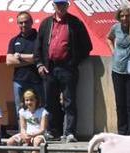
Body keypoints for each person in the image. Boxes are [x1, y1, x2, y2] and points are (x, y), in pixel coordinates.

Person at [35, 0, 92, 143]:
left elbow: (87, 46)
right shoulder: (46, 23)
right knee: (50, 102)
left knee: (69, 102)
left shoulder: (75, 22)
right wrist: (40, 64)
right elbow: (38, 46)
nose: (60, 7)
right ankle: (55, 131)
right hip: (50, 68)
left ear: (67, 6)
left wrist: (73, 62)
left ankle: (70, 132)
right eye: (57, 5)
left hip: (67, 68)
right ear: (53, 6)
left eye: (63, 5)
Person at [107, 2, 130, 136]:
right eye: (122, 15)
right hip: (118, 70)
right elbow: (109, 38)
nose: (124, 18)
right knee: (120, 104)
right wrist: (113, 51)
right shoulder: (115, 27)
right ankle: (122, 132)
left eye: (127, 15)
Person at [6, 10, 44, 121]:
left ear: (32, 22)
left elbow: (40, 57)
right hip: (19, 81)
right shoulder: (14, 40)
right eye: (21, 22)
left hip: (37, 80)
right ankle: (22, 132)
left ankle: (38, 132)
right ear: (17, 24)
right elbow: (9, 61)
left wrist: (20, 56)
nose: (23, 25)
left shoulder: (39, 38)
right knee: (20, 108)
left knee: (39, 106)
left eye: (26, 22)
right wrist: (32, 59)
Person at [6, 89, 49, 153]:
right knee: (9, 142)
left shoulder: (43, 112)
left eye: (31, 100)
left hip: (38, 134)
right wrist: (24, 135)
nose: (29, 102)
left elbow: (42, 129)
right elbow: (22, 127)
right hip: (27, 133)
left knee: (36, 143)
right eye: (27, 100)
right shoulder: (22, 112)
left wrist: (32, 135)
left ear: (36, 100)